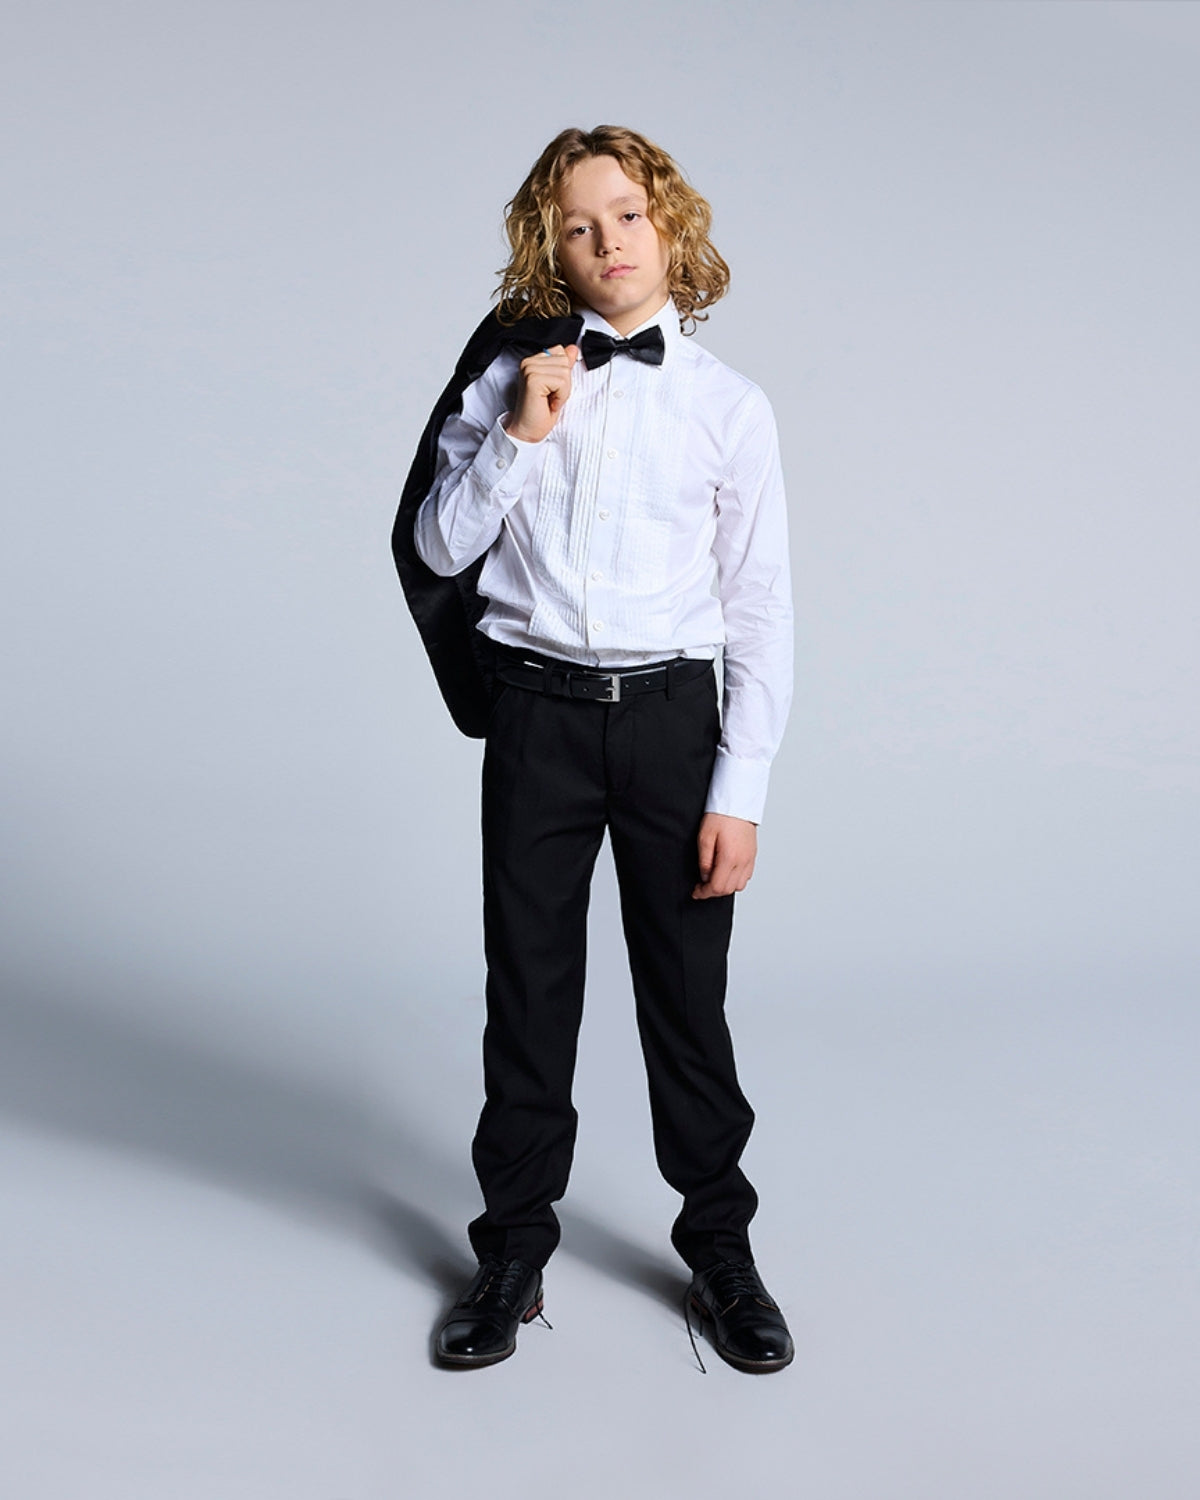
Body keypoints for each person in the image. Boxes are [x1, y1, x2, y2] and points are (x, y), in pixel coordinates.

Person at [392, 125, 794, 1373]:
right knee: (529, 993)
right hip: (538, 720)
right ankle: (511, 1243)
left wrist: (743, 788)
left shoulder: (732, 408)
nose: (606, 241)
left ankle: (719, 1246)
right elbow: (438, 550)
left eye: (625, 214)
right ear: (549, 251)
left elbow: (761, 607)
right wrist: (520, 437)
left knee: (687, 1003)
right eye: (577, 226)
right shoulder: (513, 377)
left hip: (676, 725)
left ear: (668, 221)